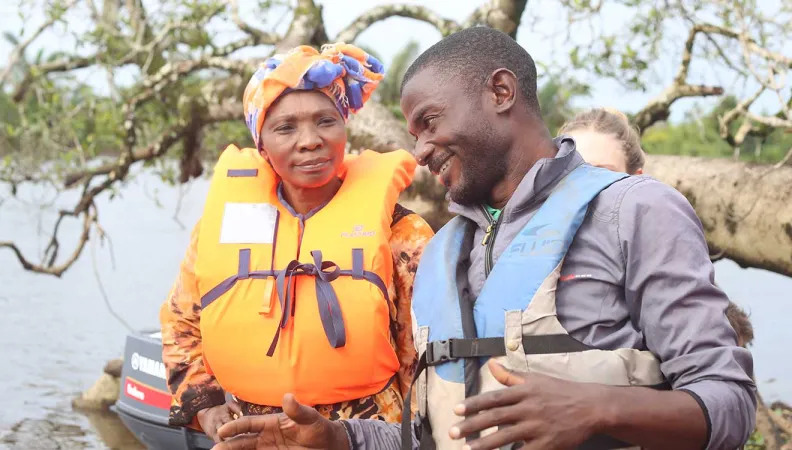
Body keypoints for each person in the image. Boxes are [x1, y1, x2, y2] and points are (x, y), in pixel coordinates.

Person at [211, 28, 757, 450]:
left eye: (429, 121)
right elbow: (431, 434)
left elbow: (729, 402)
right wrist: (341, 439)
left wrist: (598, 410)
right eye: (412, 134)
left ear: (500, 91)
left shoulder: (634, 209)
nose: (420, 151)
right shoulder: (441, 252)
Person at [158, 43, 434, 443]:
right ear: (262, 145)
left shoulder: (403, 234)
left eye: (325, 121)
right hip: (248, 435)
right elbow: (182, 323)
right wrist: (205, 405)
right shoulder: (220, 228)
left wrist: (408, 438)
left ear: (345, 128)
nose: (310, 141)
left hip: (361, 435)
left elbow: (423, 355)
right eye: (285, 127)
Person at [559, 107, 756, 348]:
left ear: (638, 179)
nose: (585, 186)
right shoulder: (521, 241)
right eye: (572, 174)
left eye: (602, 174)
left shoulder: (658, 237)